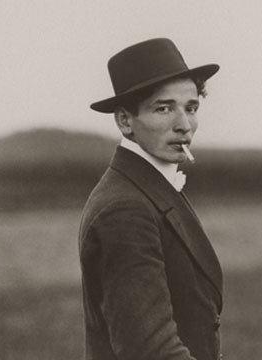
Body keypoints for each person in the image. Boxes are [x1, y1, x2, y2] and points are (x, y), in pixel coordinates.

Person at [80, 38, 223, 360]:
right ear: (125, 121)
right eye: (164, 108)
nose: (184, 125)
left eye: (191, 108)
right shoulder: (125, 209)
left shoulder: (151, 187)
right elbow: (149, 349)